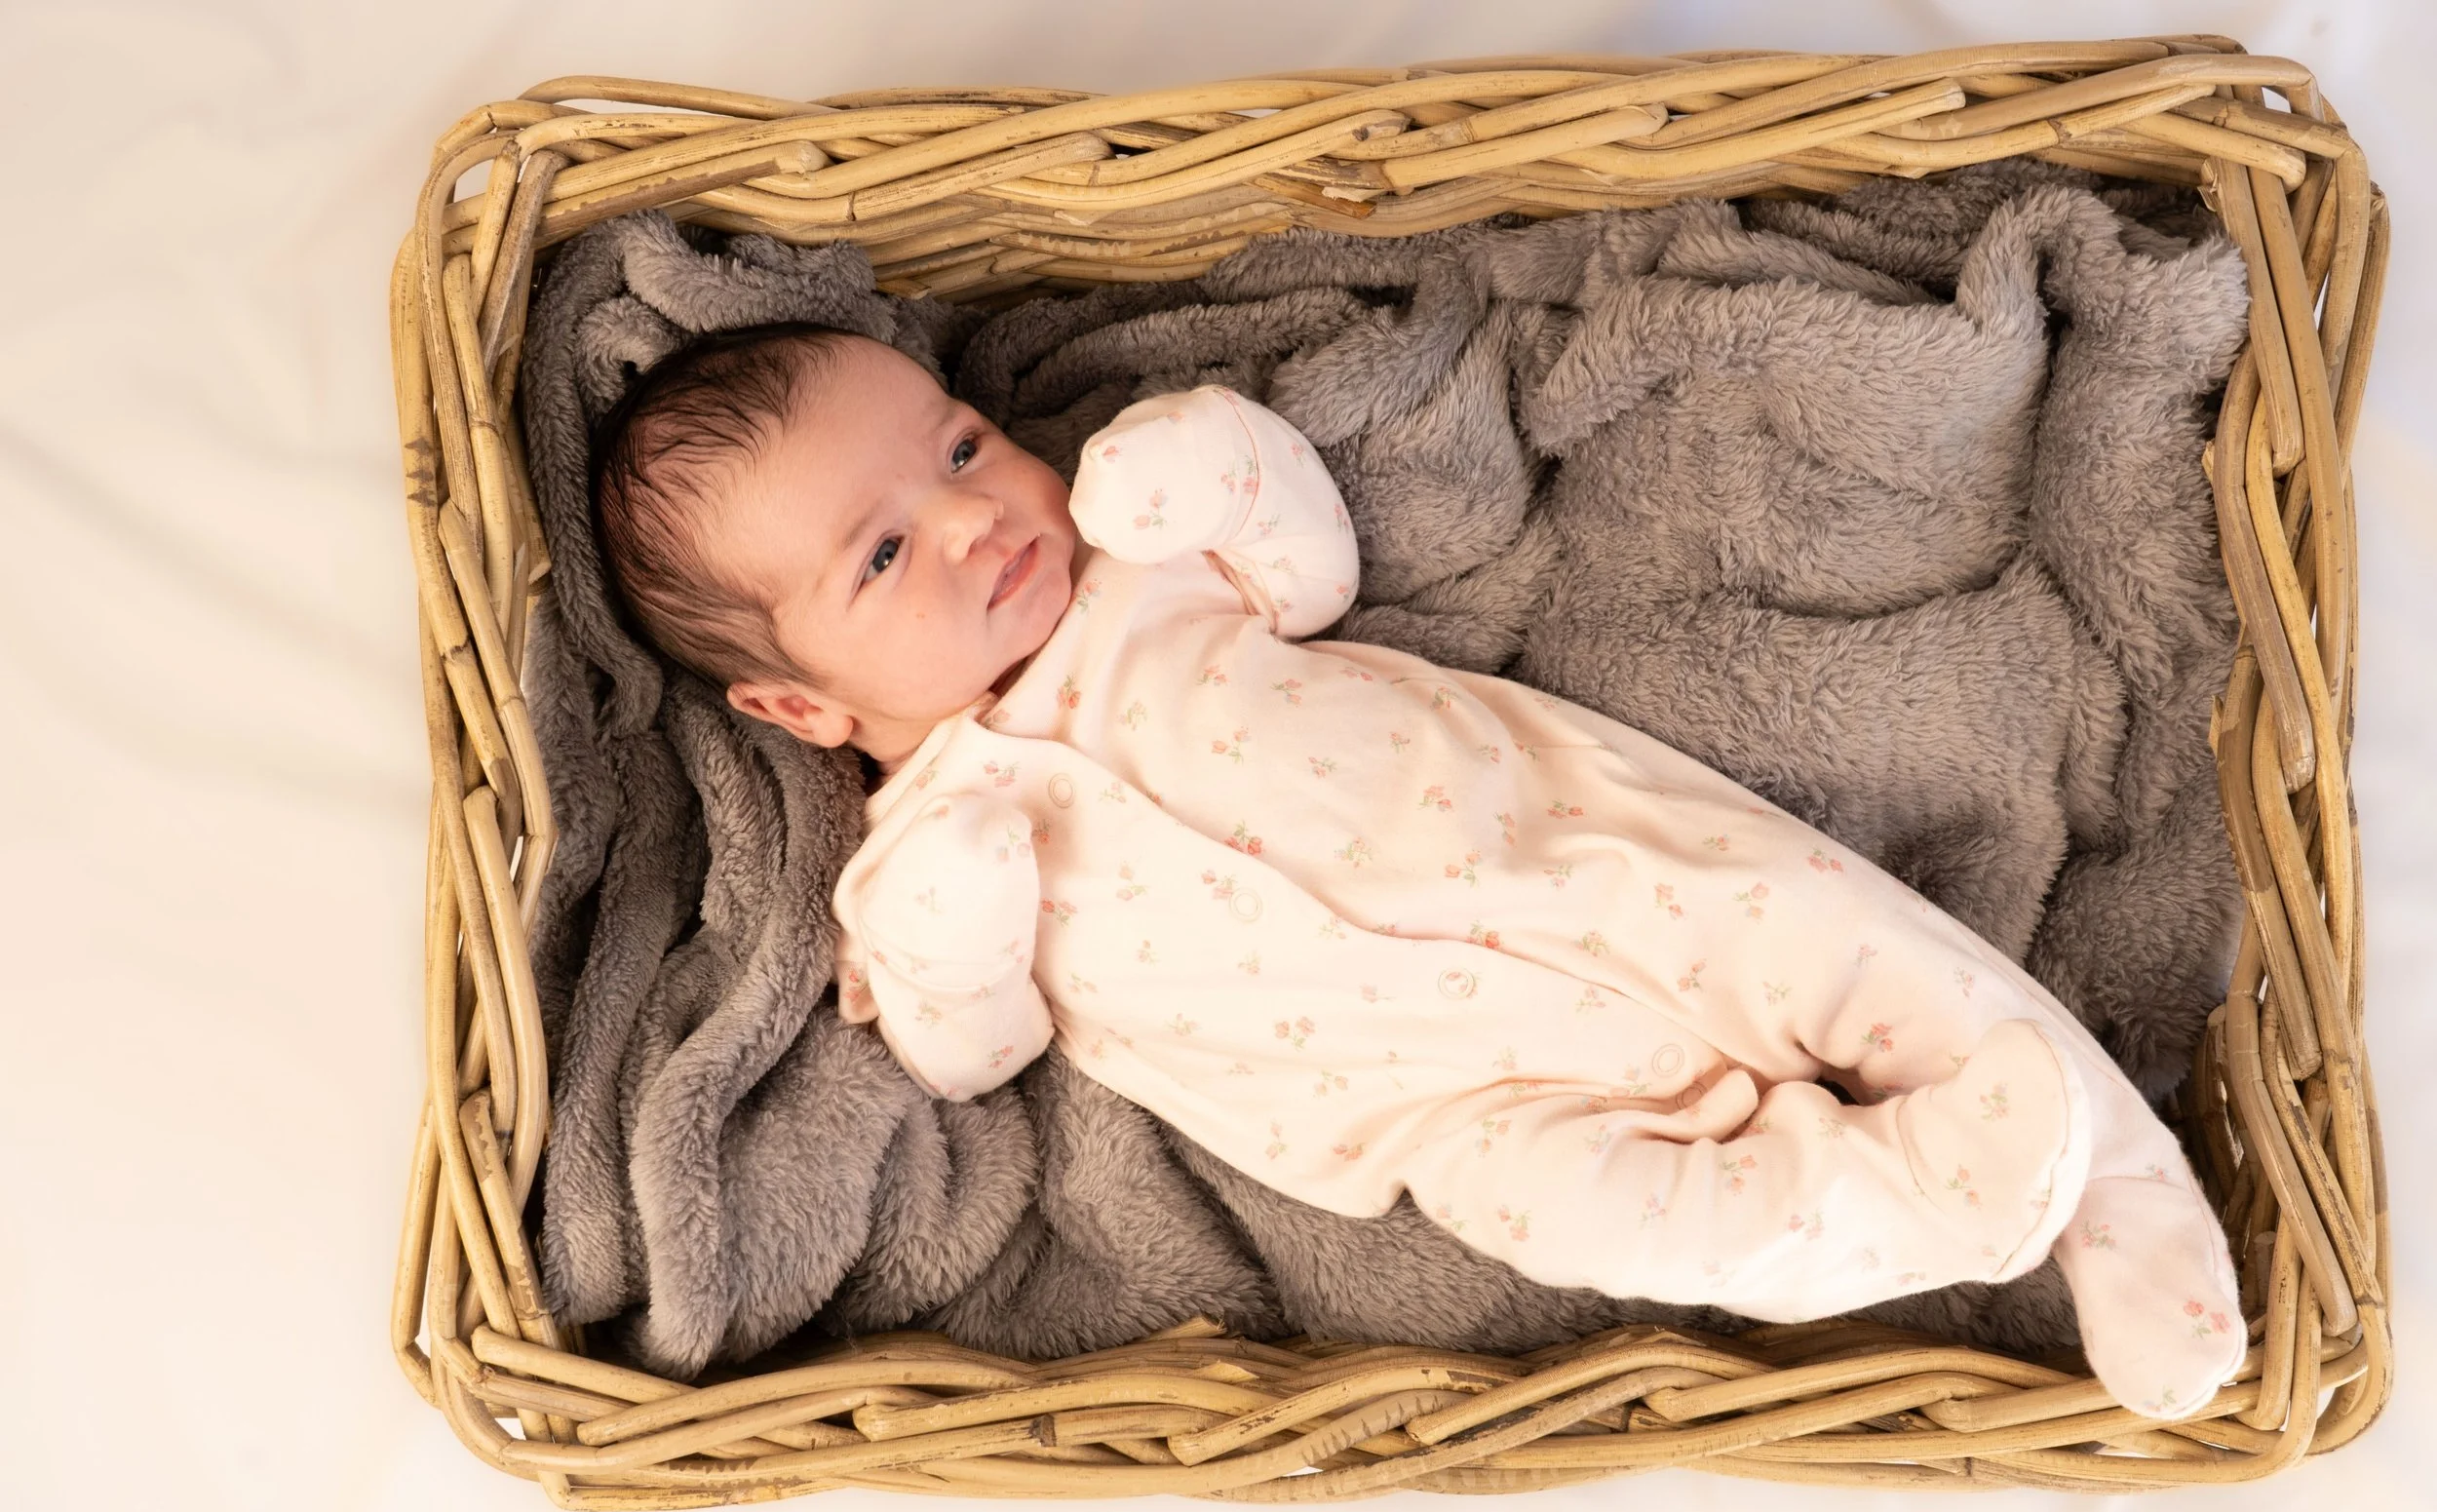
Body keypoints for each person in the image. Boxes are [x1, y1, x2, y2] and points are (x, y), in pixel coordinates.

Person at [591, 321, 2245, 1421]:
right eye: (883, 553)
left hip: (1559, 848)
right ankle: (1924, 1202)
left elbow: (1310, 564)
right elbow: (974, 1049)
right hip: (1434, 1098)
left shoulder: (1135, 561)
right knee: (1643, 1218)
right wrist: (960, 914)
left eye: (957, 447)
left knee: (1840, 936)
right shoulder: (898, 876)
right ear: (800, 705)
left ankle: (2118, 1185)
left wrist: (1212, 459)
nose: (970, 522)